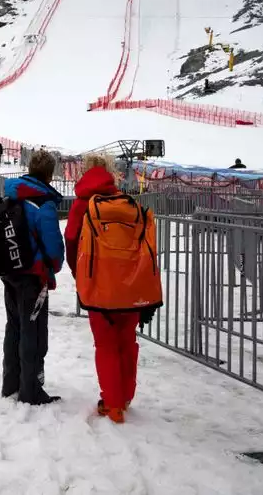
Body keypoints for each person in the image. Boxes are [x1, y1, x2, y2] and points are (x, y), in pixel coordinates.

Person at [63, 154, 156, 423]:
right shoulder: (125, 203)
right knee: (127, 341)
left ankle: (113, 403)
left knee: (105, 344)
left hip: (97, 283)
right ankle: (126, 396)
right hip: (129, 283)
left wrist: (78, 273)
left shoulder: (83, 204)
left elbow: (70, 239)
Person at [1, 149, 66, 405]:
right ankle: (31, 390)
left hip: (10, 272)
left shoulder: (12, 196)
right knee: (34, 332)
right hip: (33, 277)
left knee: (14, 327)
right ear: (50, 174)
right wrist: (54, 266)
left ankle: (11, 383)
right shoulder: (43, 203)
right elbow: (53, 247)